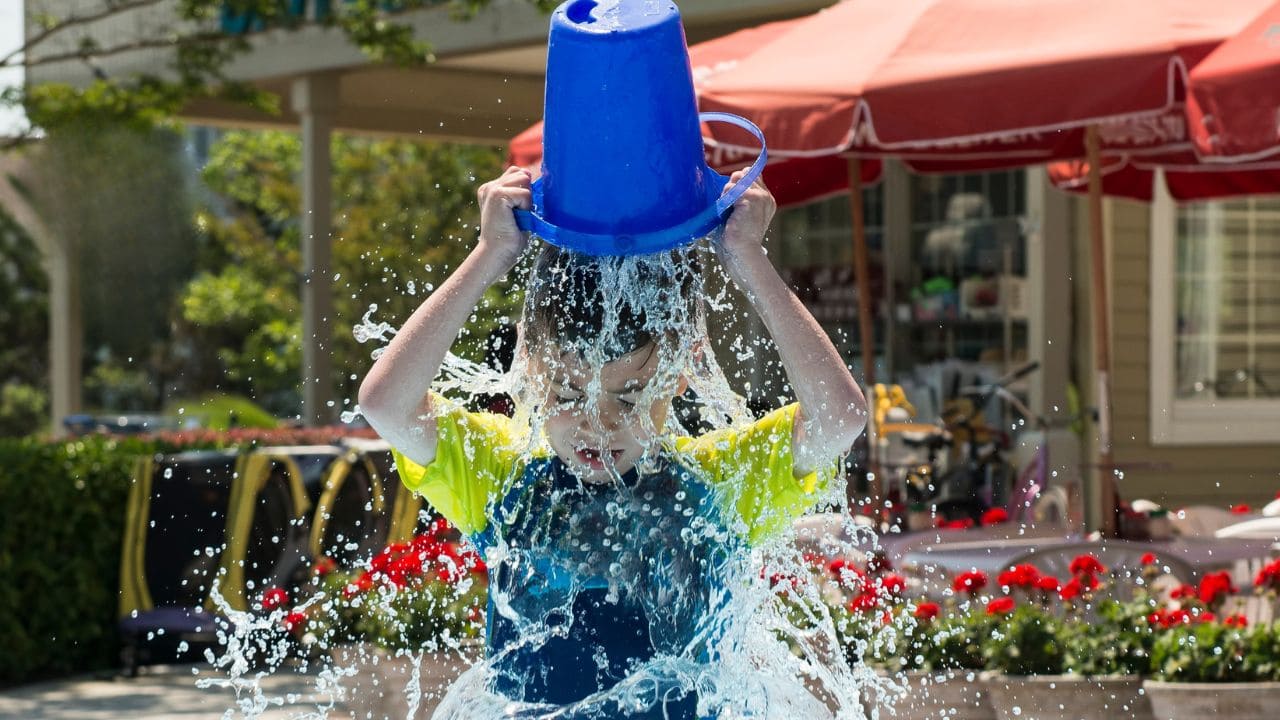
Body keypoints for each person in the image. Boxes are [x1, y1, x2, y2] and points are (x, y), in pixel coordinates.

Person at [358, 166, 868, 719]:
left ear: (681, 371)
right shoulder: (502, 474)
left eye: (628, 400)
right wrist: (489, 255)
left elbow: (839, 416)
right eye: (568, 392)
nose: (596, 425)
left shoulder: (718, 484)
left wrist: (749, 258)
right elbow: (385, 405)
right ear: (529, 362)